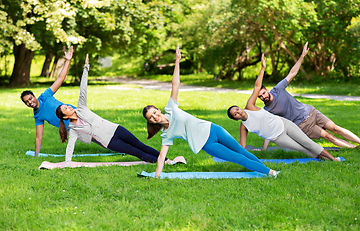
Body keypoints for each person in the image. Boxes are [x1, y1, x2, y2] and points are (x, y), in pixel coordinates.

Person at [143, 45, 279, 178]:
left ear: (158, 110)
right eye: (151, 118)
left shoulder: (170, 108)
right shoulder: (166, 133)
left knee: (242, 151)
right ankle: (270, 173)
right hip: (207, 143)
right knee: (238, 158)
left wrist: (177, 61)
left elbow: (175, 84)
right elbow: (161, 156)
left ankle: (266, 169)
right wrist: (157, 175)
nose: (154, 117)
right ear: (150, 121)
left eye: (154, 113)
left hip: (213, 129)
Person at [56, 55, 184, 167]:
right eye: (65, 109)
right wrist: (67, 163)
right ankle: (164, 163)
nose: (69, 107)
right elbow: (70, 147)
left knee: (141, 146)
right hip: (110, 142)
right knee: (137, 153)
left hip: (116, 129)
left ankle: (166, 160)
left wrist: (86, 68)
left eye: (66, 105)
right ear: (65, 117)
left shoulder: (81, 108)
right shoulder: (73, 129)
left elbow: (83, 89)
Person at [227, 53, 338, 161]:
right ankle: (325, 159)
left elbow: (257, 87)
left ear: (240, 108)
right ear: (236, 119)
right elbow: (242, 145)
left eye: (237, 109)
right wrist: (232, 154)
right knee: (302, 148)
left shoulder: (250, 106)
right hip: (277, 137)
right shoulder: (243, 126)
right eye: (235, 114)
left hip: (284, 124)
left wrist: (262, 68)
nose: (238, 112)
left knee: (308, 143)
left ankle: (334, 160)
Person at [257, 42, 360, 148]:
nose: (263, 97)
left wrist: (302, 56)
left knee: (336, 128)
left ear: (266, 89)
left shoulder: (278, 89)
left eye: (263, 93)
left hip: (310, 111)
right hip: (303, 125)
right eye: (260, 97)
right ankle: (354, 148)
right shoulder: (268, 110)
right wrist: (265, 149)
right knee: (328, 136)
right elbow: (270, 129)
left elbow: (292, 73)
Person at [21, 46, 75, 157]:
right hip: (71, 129)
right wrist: (36, 155)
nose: (30, 102)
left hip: (75, 114)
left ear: (34, 96)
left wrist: (68, 61)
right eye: (27, 102)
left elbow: (60, 79)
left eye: (30, 98)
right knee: (96, 138)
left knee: (99, 128)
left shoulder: (45, 96)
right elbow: (38, 137)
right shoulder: (37, 116)